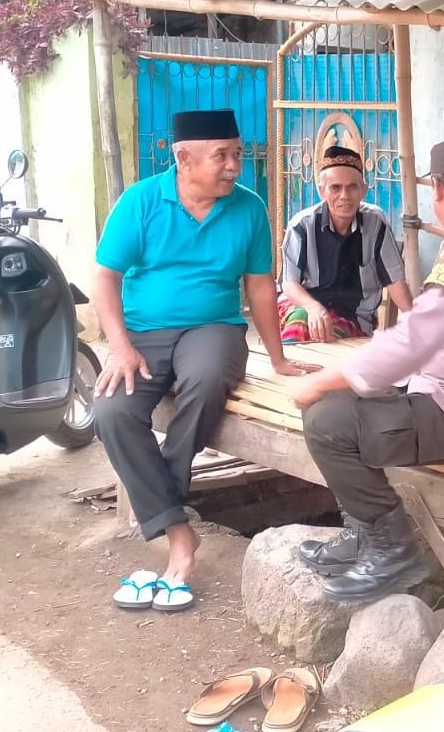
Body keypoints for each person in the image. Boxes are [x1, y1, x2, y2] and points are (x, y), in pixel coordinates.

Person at [290, 141, 444, 601]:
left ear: (439, 188)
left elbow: (414, 340)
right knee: (344, 401)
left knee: (327, 422)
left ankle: (391, 550)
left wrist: (321, 379)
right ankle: (363, 535)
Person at [91, 109, 316, 612]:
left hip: (214, 327)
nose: (235, 165)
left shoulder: (249, 208)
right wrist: (120, 346)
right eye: (222, 155)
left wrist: (278, 358)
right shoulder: (141, 202)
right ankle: (178, 529)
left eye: (238, 153)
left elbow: (260, 287)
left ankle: (166, 501)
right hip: (143, 332)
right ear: (184, 158)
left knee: (209, 375)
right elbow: (105, 277)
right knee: (110, 410)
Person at [279, 145, 413, 343]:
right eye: (335, 187)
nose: (345, 196)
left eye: (352, 187)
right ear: (321, 191)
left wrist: (417, 322)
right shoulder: (302, 225)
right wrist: (313, 308)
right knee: (301, 324)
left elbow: (395, 281)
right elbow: (289, 283)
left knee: (331, 334)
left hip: (352, 317)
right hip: (303, 306)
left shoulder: (376, 223)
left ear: (363, 190)